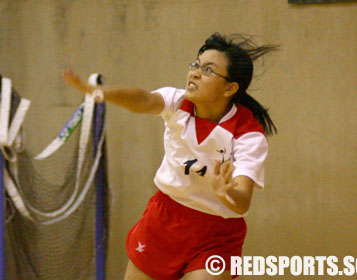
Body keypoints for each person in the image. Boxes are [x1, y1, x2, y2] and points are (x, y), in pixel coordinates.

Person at [63, 32, 278, 280]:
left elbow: (242, 201)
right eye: (196, 65)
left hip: (217, 234)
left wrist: (226, 192)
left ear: (230, 87)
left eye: (208, 70)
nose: (195, 73)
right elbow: (143, 99)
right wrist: (100, 92)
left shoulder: (248, 134)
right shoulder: (177, 102)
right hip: (165, 220)